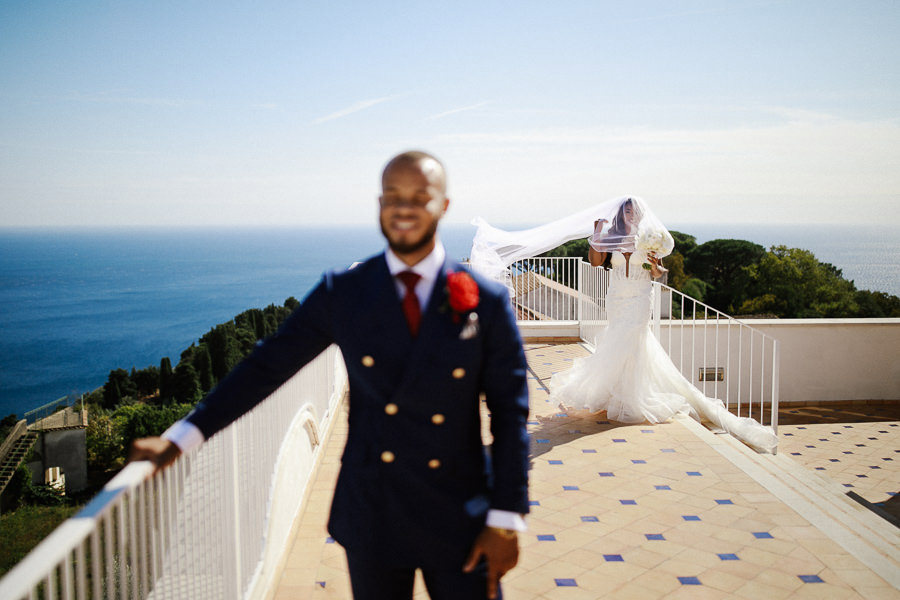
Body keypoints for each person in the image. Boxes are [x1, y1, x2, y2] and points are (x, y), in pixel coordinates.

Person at [129, 151, 531, 600]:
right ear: (379, 204)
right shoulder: (346, 293)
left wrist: (506, 516)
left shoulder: (487, 301)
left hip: (462, 512)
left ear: (444, 205)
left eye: (420, 196)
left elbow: (509, 413)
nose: (404, 208)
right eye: (393, 196)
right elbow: (268, 365)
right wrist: (184, 435)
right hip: (374, 511)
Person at [470, 197, 777, 453]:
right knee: (619, 343)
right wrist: (595, 235)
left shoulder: (649, 240)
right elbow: (594, 261)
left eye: (632, 211)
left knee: (630, 342)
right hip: (616, 298)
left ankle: (630, 396)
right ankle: (616, 393)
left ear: (639, 214)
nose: (629, 214)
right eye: (625, 211)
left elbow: (659, 273)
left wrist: (657, 268)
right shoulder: (611, 236)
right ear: (620, 216)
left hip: (640, 299)